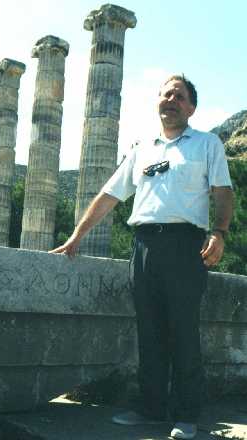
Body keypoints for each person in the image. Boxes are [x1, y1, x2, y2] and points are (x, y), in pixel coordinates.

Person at [50, 74, 233, 439]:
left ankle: (187, 414)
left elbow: (222, 191)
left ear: (191, 107)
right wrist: (76, 235)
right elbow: (109, 196)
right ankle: (151, 409)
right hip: (144, 246)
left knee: (183, 332)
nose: (171, 100)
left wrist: (220, 233)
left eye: (179, 96)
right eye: (166, 94)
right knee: (149, 333)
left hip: (185, 246)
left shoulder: (206, 144)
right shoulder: (142, 149)